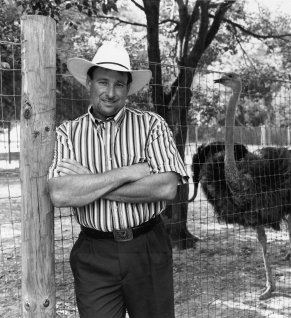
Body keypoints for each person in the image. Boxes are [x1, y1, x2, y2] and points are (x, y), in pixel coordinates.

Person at [48, 43, 189, 318]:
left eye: (119, 85)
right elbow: (61, 194)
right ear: (89, 82)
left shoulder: (152, 125)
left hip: (147, 247)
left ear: (128, 88)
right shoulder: (68, 132)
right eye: (103, 82)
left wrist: (89, 184)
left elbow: (166, 187)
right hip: (94, 254)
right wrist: (127, 172)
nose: (110, 93)